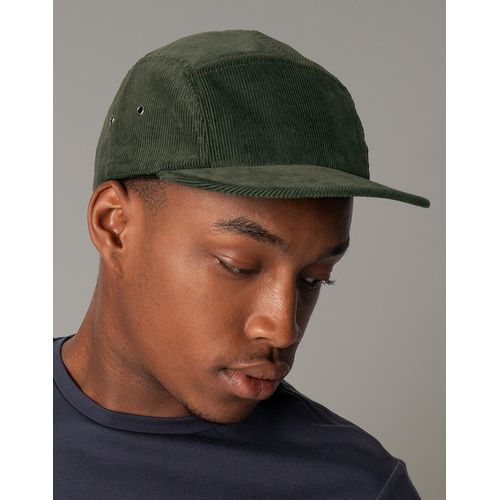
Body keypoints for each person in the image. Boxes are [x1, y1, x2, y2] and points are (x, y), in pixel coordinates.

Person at [54, 29, 429, 499]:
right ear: (114, 225)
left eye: (315, 279)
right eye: (238, 266)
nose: (283, 328)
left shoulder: (355, 487)